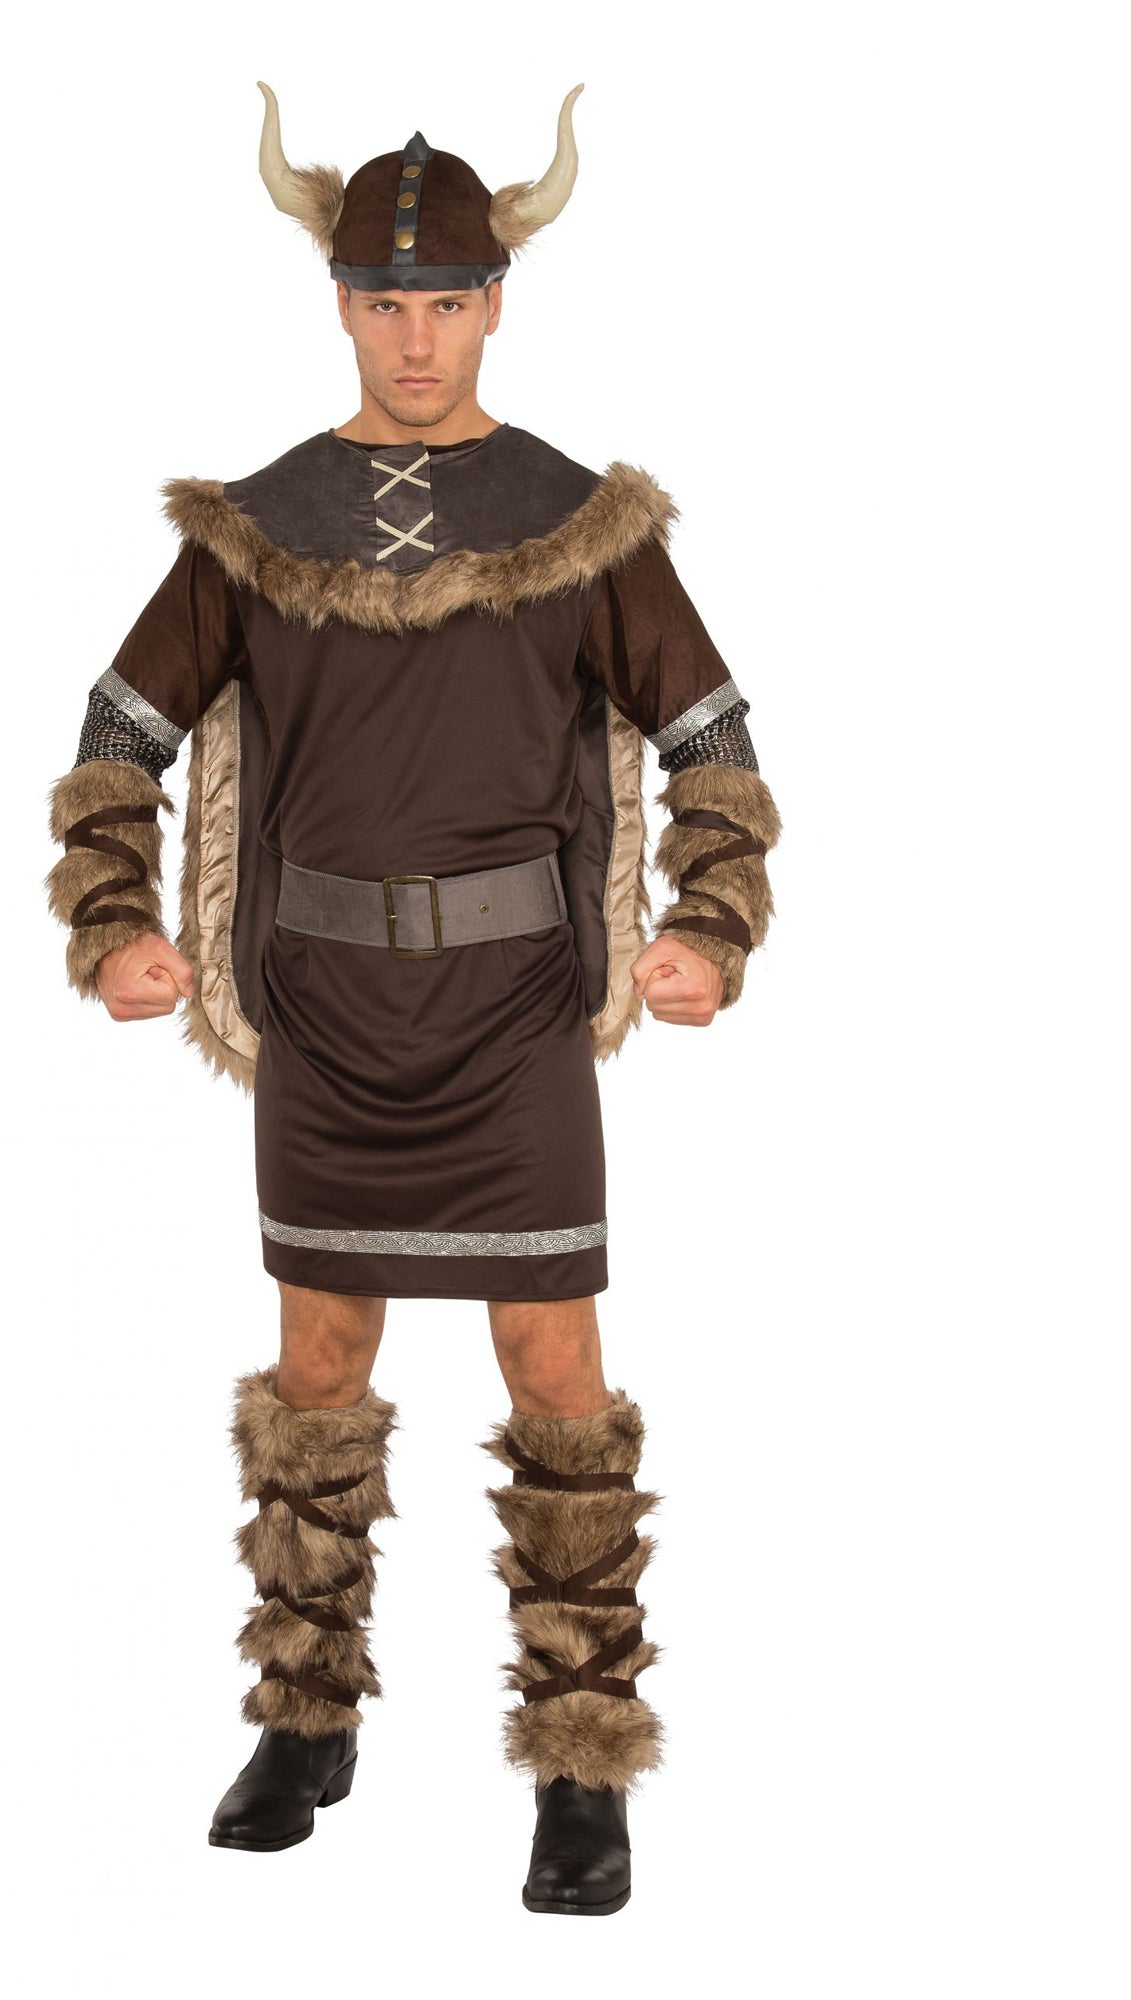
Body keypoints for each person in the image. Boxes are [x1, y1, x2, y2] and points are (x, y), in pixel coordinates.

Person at [44, 82, 782, 1916]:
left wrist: (713, 927)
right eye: (386, 304)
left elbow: (714, 743)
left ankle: (582, 1756)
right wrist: (111, 920)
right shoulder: (259, 528)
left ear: (497, 303)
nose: (419, 338)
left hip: (516, 1020)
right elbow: (118, 737)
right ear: (341, 307)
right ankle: (306, 1719)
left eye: (448, 300)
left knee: (554, 1364)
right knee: (318, 1360)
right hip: (326, 1014)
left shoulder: (580, 525)